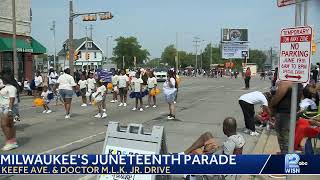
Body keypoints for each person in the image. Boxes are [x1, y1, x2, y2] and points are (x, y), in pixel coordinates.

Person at [270, 81, 303, 154]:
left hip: (284, 113)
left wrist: (271, 106)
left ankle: (286, 156)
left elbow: (277, 97)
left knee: (283, 136)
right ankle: (286, 153)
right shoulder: (299, 82)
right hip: (292, 112)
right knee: (288, 136)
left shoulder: (286, 82)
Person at [0, 72, 20, 151]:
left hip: (10, 107)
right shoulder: (4, 86)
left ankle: (10, 143)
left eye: (2, 78)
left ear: (6, 79)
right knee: (7, 125)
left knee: (6, 125)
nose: (1, 80)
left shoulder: (12, 88)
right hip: (3, 107)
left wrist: (10, 110)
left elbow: (12, 99)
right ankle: (12, 141)